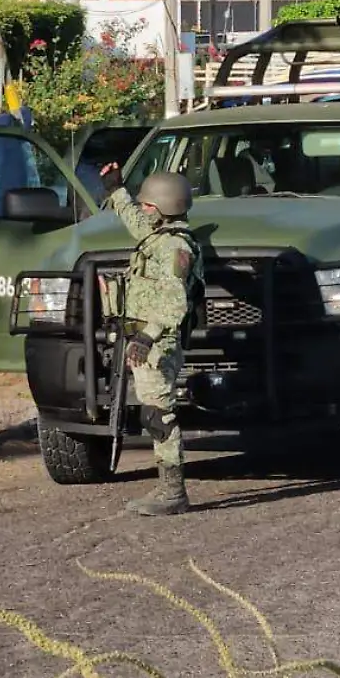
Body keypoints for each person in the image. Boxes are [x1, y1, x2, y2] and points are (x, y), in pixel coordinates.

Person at [99, 164, 205, 516]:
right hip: (149, 340)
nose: (143, 211)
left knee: (158, 414)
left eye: (148, 206)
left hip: (159, 342)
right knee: (154, 410)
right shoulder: (158, 238)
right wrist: (117, 191)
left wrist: (146, 336)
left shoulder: (173, 248)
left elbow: (176, 303)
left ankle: (173, 491)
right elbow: (136, 222)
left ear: (163, 209)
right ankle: (169, 488)